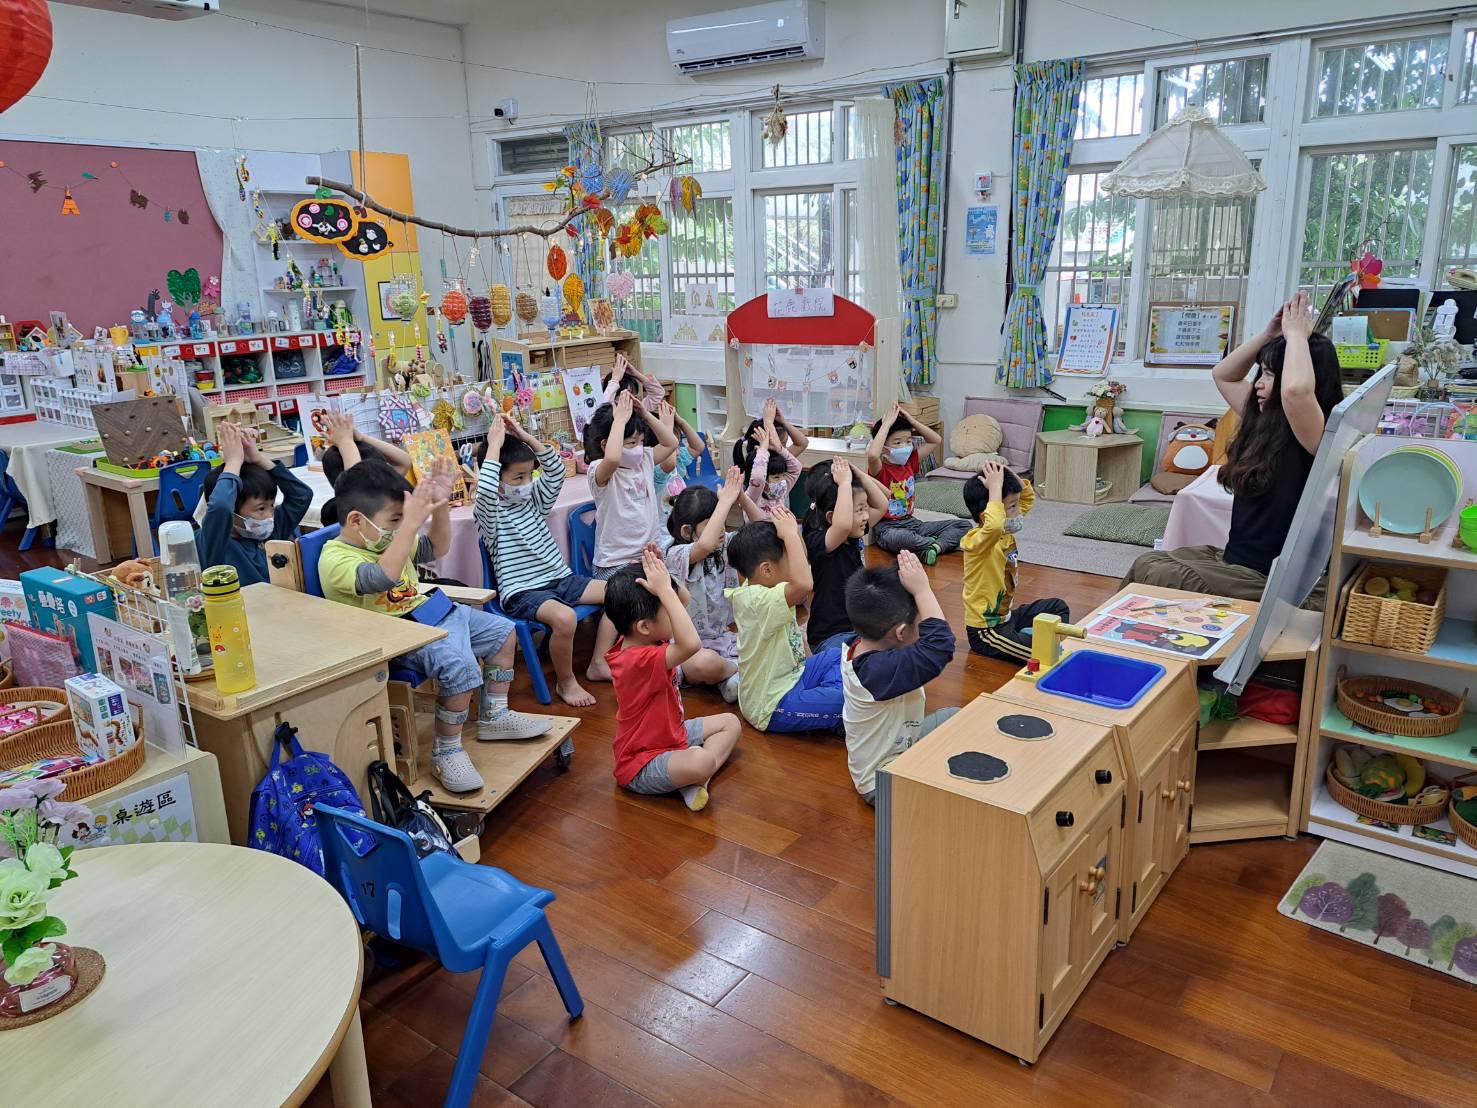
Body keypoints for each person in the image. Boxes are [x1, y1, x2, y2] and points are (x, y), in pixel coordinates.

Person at [321, 457, 550, 793]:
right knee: (460, 668)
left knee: (503, 632)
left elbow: (437, 547)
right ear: (357, 520)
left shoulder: (389, 535)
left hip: (429, 614)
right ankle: (447, 750)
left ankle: (494, 716)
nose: (402, 526)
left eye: (403, 519)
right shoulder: (335, 559)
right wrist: (410, 525)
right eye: (395, 519)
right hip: (396, 636)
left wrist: (440, 506)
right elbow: (382, 577)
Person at [1123, 291, 1343, 603]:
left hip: (1267, 578)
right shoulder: (1264, 420)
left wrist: (1296, 335)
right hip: (1236, 563)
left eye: (1270, 375)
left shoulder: (1316, 436)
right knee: (1150, 563)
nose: (1260, 383)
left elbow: (1296, 392)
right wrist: (1269, 335)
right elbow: (1223, 375)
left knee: (1152, 570)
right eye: (1261, 372)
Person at [473, 413, 605, 709]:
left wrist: (524, 436)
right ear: (497, 480)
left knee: (621, 591)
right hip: (524, 591)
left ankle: (603, 660)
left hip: (561, 579)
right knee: (565, 618)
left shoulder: (533, 500)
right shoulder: (490, 515)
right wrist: (493, 446)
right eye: (517, 478)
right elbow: (484, 492)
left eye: (528, 475)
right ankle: (566, 681)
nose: (526, 483)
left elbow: (555, 470)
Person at [605, 547, 743, 812]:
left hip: (672, 735)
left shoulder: (644, 636)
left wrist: (665, 577)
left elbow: (684, 599)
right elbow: (691, 644)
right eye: (669, 609)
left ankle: (693, 780)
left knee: (730, 722)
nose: (677, 609)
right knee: (701, 761)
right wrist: (664, 592)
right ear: (645, 626)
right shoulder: (635, 659)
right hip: (641, 763)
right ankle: (693, 774)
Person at [841, 551, 958, 804]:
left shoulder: (865, 644)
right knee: (954, 797)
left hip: (901, 745)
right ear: (901, 632)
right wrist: (922, 591)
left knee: (957, 718)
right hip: (882, 781)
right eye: (920, 623)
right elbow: (940, 646)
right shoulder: (877, 672)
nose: (924, 628)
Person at [583, 393, 680, 682]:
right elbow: (613, 457)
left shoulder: (645, 460)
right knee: (624, 597)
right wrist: (620, 419)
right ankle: (598, 662)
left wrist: (645, 414)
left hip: (646, 557)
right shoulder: (600, 471)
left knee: (668, 591)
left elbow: (671, 443)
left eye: (639, 441)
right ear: (607, 443)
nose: (638, 448)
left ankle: (651, 651)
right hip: (614, 562)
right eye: (630, 443)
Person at [725, 508, 844, 734]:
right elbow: (805, 584)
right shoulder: (756, 600)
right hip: (771, 704)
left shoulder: (762, 582)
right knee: (845, 700)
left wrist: (792, 533)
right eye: (789, 555)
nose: (799, 562)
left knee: (839, 655)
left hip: (794, 675)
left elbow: (802, 566)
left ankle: (825, 705)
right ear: (767, 569)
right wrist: (789, 535)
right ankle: (829, 707)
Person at [663, 467, 764, 703]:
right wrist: (725, 502)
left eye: (721, 521)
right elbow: (705, 545)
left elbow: (763, 527)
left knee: (773, 640)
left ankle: (727, 678)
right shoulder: (675, 554)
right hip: (687, 648)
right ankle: (738, 672)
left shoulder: (724, 545)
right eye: (712, 524)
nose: (721, 530)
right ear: (687, 531)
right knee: (704, 664)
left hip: (722, 639)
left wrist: (741, 497)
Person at [962, 461, 1068, 661]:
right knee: (1045, 654)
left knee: (1057, 607)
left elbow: (1026, 498)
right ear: (987, 516)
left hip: (1008, 618)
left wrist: (1005, 473)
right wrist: (995, 488)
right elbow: (993, 525)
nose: (1019, 511)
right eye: (1012, 506)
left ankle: (1028, 638)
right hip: (987, 632)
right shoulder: (978, 541)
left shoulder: (1005, 529)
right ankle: (1033, 641)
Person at [197, 421, 312, 586]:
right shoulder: (216, 542)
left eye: (271, 506)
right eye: (261, 508)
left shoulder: (269, 532)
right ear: (232, 513)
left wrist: (258, 458)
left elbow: (302, 496)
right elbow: (220, 506)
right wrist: (233, 462)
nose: (269, 516)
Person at [802, 458, 888, 653]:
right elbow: (841, 526)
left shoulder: (851, 532)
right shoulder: (818, 540)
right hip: (830, 636)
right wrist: (844, 483)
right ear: (831, 516)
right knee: (858, 661)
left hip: (856, 630)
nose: (866, 516)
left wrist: (856, 473)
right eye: (859, 510)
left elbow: (882, 504)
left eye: (865, 508)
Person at [867, 403, 970, 562]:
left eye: (908, 441)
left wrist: (912, 421)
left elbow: (935, 440)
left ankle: (932, 547)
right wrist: (886, 424)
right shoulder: (879, 469)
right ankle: (930, 544)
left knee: (964, 525)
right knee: (902, 538)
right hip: (887, 528)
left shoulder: (909, 461)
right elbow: (873, 455)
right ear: (884, 448)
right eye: (897, 442)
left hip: (913, 523)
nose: (905, 446)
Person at [318, 412, 412, 527]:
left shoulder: (386, 492)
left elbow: (404, 462)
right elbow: (357, 485)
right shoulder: (335, 511)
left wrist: (361, 438)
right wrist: (345, 444)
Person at [733, 398, 807, 516]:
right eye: (780, 444)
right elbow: (759, 477)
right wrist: (768, 423)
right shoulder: (756, 477)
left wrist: (783, 422)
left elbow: (802, 444)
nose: (780, 447)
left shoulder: (780, 465)